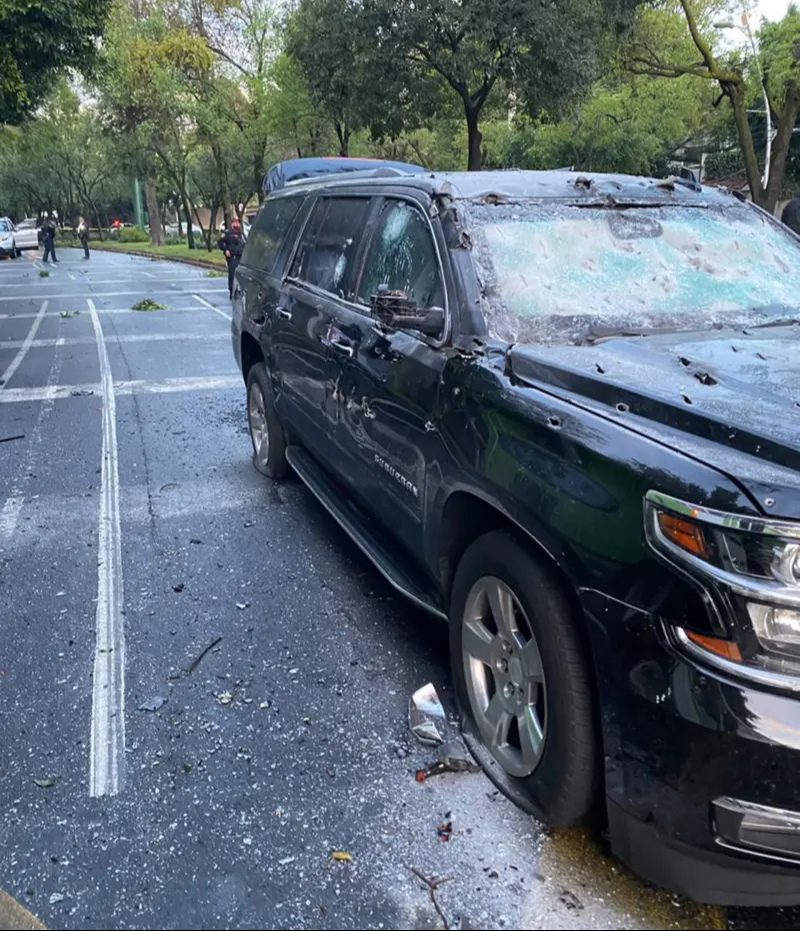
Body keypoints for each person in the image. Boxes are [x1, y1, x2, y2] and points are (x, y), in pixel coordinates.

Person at [218, 217, 245, 299]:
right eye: (235, 222)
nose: (237, 224)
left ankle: (239, 292)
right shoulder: (228, 233)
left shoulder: (242, 234)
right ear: (232, 224)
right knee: (232, 275)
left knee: (241, 276)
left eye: (238, 222)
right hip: (232, 257)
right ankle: (232, 291)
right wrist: (226, 250)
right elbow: (220, 242)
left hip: (240, 257)